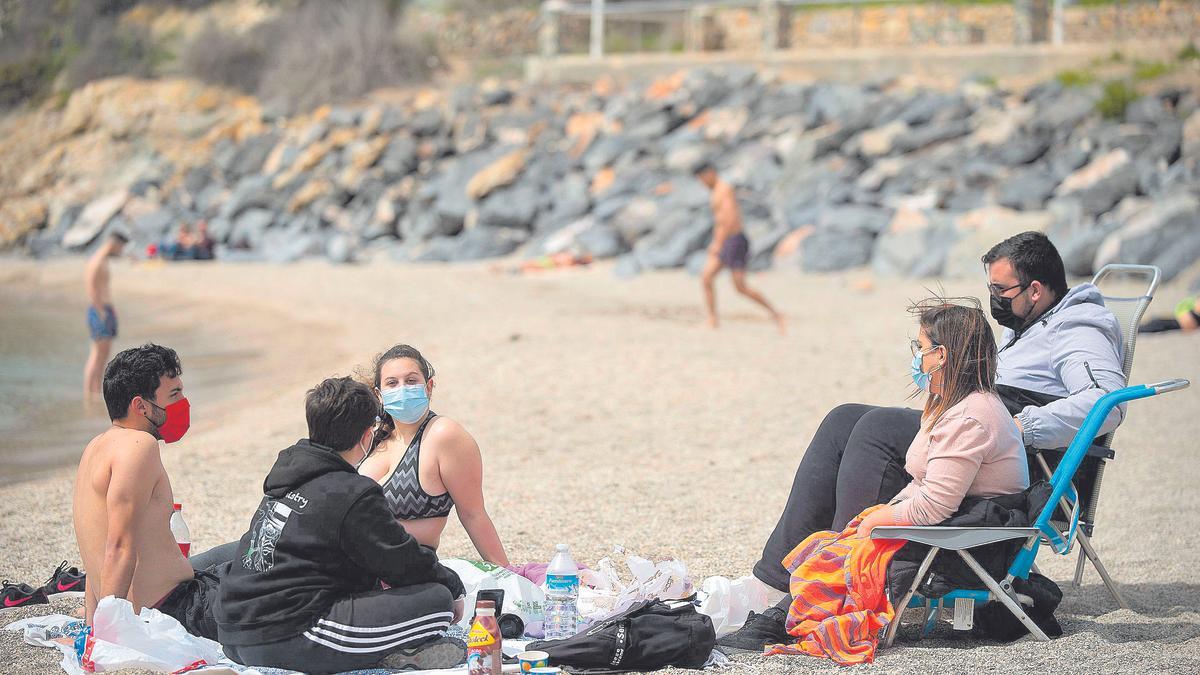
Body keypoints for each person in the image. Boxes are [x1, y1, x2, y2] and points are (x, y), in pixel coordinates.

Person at [720, 231, 1126, 650]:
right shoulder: (1028, 324)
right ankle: (775, 580)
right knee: (845, 418)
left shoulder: (1077, 326)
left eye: (1000, 289)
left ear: (1036, 290)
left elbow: (1107, 403)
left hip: (1016, 447)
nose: (993, 299)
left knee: (877, 430)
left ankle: (838, 581)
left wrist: (1024, 424)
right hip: (979, 424)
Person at [216, 377, 467, 673]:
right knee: (436, 603)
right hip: (287, 635)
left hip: (232, 634)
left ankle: (385, 651)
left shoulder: (288, 474)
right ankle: (385, 656)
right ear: (365, 436)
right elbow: (404, 563)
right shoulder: (351, 492)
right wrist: (452, 585)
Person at [71, 344, 212, 636]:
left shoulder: (95, 447)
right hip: (174, 609)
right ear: (141, 406)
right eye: (174, 395)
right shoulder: (139, 446)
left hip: (159, 600)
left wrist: (91, 621)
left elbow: (94, 548)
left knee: (232, 554)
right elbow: (119, 546)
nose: (183, 403)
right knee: (258, 558)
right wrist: (107, 636)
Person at [358, 345, 509, 566]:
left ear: (428, 387)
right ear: (379, 394)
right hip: (349, 564)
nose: (402, 389)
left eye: (411, 381)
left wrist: (506, 573)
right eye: (392, 383)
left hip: (401, 568)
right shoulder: (371, 437)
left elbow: (472, 513)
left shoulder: (443, 435)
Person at [693, 163, 785, 333]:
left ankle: (775, 313)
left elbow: (729, 220)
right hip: (728, 241)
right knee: (707, 278)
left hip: (733, 241)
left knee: (740, 286)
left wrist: (718, 244)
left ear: (710, 173)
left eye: (702, 178)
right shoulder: (717, 192)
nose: (702, 183)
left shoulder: (723, 190)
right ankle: (712, 320)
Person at [84, 232, 128, 400]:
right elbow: (91, 289)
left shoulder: (102, 260)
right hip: (99, 310)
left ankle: (95, 391)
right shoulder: (96, 261)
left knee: (103, 355)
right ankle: (89, 393)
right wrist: (101, 312)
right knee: (97, 354)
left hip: (104, 309)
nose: (120, 250)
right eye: (120, 247)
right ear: (114, 243)